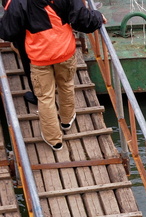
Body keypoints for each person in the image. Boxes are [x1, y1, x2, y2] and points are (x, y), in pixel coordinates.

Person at [0, 0, 106, 151]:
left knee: (45, 97)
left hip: (39, 57)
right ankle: (67, 120)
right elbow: (83, 20)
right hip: (65, 51)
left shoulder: (18, 2)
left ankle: (53, 139)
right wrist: (97, 15)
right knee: (66, 84)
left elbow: (7, 31)